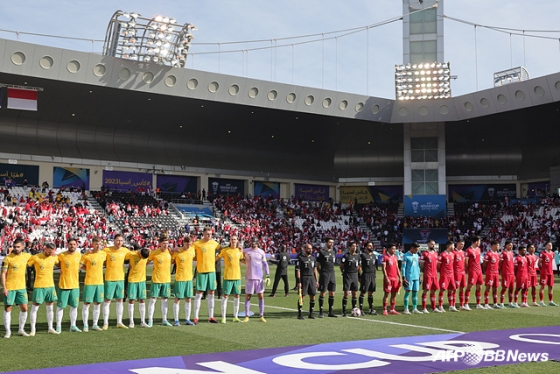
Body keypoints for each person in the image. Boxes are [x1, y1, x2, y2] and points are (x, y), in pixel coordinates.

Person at [2, 238, 32, 338]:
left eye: (18, 247)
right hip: (10, 287)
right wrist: (4, 287)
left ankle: (21, 329)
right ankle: (8, 331)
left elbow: (37, 259)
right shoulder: (8, 258)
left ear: (23, 247)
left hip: (22, 287)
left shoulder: (27, 256)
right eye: (14, 247)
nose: (16, 248)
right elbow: (3, 273)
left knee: (24, 308)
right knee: (8, 308)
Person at [27, 242, 59, 336]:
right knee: (35, 308)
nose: (50, 253)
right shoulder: (36, 257)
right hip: (39, 286)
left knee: (50, 308)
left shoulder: (54, 257)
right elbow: (26, 264)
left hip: (50, 286)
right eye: (49, 251)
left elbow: (60, 264)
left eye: (52, 251)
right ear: (46, 248)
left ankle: (50, 328)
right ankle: (33, 330)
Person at [193, 226, 221, 324]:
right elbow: (188, 251)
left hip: (211, 271)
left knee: (211, 293)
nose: (209, 236)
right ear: (203, 234)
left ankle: (211, 317)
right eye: (207, 234)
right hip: (201, 271)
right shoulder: (197, 244)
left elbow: (223, 250)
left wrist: (216, 258)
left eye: (210, 234)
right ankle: (196, 317)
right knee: (199, 293)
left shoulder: (215, 243)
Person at [102, 234, 130, 329]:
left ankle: (119, 322)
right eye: (118, 240)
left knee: (120, 300)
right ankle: (105, 323)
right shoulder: (107, 250)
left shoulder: (125, 251)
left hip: (120, 279)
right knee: (107, 300)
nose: (119, 242)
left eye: (121, 241)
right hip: (110, 278)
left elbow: (135, 255)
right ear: (114, 241)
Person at [55, 238, 82, 333]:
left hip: (75, 285)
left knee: (74, 306)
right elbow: (57, 264)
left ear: (76, 245)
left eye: (74, 244)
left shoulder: (79, 256)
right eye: (70, 244)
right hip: (64, 285)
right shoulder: (61, 255)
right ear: (67, 245)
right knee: (60, 306)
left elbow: (81, 265)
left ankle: (73, 326)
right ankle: (58, 326)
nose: (72, 246)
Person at [81, 236, 107, 332]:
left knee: (98, 303)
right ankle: (85, 325)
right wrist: (88, 269)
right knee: (87, 303)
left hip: (100, 282)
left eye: (100, 244)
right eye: (96, 244)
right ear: (92, 244)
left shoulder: (104, 254)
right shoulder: (87, 255)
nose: (98, 246)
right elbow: (80, 266)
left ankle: (95, 324)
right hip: (89, 282)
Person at [216, 235, 244, 323]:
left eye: (235, 239)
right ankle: (223, 317)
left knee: (237, 296)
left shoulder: (239, 251)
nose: (233, 240)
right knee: (225, 296)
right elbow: (217, 258)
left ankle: (235, 316)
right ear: (230, 240)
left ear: (237, 240)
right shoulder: (225, 250)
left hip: (237, 277)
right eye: (232, 239)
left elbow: (242, 260)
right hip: (228, 276)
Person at [147, 236, 173, 327]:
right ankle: (150, 320)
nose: (165, 245)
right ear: (160, 244)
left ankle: (164, 319)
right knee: (153, 300)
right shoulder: (154, 253)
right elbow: (146, 261)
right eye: (164, 243)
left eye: (167, 243)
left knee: (165, 300)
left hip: (166, 280)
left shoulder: (170, 252)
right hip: (156, 280)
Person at [242, 238, 270, 322]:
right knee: (248, 296)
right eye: (252, 242)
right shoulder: (246, 251)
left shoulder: (261, 252)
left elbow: (265, 264)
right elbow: (239, 254)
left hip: (259, 278)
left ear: (257, 243)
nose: (253, 244)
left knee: (261, 296)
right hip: (250, 277)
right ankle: (247, 316)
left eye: (255, 242)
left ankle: (261, 316)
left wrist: (267, 275)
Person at [172, 236, 196, 326]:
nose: (188, 246)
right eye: (187, 244)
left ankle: (187, 319)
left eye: (190, 244)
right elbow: (171, 259)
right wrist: (173, 249)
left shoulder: (192, 250)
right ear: (183, 243)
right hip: (180, 279)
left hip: (189, 279)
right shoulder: (177, 252)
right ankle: (176, 320)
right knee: (177, 299)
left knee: (188, 299)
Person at [125, 247, 150, 328]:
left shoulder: (147, 254)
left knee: (142, 300)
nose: (142, 259)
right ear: (139, 254)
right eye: (142, 257)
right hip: (132, 280)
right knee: (131, 300)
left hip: (142, 280)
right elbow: (123, 256)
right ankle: (131, 321)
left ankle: (142, 321)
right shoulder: (132, 254)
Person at [296, 243, 319, 320]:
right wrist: (299, 282)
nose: (310, 250)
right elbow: (298, 270)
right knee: (302, 296)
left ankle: (311, 313)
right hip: (304, 278)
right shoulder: (301, 258)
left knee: (313, 295)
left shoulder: (313, 258)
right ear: (305, 249)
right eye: (308, 248)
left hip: (312, 278)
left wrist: (316, 280)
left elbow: (315, 270)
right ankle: (300, 314)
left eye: (311, 248)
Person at [317, 238, 337, 318]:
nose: (331, 244)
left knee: (332, 293)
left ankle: (330, 312)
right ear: (326, 243)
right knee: (323, 293)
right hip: (324, 274)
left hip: (332, 274)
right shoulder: (321, 252)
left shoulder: (333, 252)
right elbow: (317, 265)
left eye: (332, 242)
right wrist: (321, 273)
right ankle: (321, 312)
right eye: (330, 242)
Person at [340, 241, 360, 317]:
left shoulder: (357, 256)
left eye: (355, 246)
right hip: (347, 275)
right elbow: (341, 266)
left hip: (355, 275)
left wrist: (358, 275)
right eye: (353, 246)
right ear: (350, 247)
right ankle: (344, 310)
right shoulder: (346, 256)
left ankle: (354, 309)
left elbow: (358, 266)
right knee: (346, 293)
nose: (354, 247)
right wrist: (344, 272)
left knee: (355, 293)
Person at [382, 243, 402, 315]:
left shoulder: (395, 257)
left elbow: (397, 268)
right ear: (389, 249)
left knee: (394, 294)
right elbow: (383, 268)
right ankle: (385, 310)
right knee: (387, 294)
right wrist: (386, 278)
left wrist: (400, 277)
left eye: (395, 249)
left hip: (395, 279)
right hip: (389, 279)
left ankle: (392, 309)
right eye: (393, 249)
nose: (394, 250)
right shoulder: (385, 257)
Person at [464, 236, 484, 310]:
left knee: (479, 287)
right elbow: (466, 261)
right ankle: (466, 304)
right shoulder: (468, 250)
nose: (480, 243)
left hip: (479, 270)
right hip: (472, 271)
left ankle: (478, 304)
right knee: (470, 286)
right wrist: (467, 270)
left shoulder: (479, 249)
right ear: (476, 242)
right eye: (479, 241)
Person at [420, 239, 440, 313]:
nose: (433, 245)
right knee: (426, 290)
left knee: (434, 291)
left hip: (434, 275)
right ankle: (424, 308)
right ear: (428, 244)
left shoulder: (435, 253)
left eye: (434, 244)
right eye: (432, 244)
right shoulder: (424, 254)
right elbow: (421, 265)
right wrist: (423, 272)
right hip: (428, 275)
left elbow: (437, 264)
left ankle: (433, 308)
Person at [358, 242, 378, 315]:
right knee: (363, 292)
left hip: (372, 275)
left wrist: (374, 275)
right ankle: (361, 309)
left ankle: (371, 309)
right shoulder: (362, 255)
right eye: (369, 246)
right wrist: (359, 276)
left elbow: (375, 267)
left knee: (371, 292)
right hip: (365, 275)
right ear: (366, 247)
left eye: (372, 246)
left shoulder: (373, 256)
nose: (371, 247)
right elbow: (358, 267)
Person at [402, 242, 421, 314]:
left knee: (415, 292)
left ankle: (414, 308)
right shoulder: (405, 256)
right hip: (409, 277)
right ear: (412, 248)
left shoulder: (416, 255)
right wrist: (404, 277)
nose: (417, 251)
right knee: (408, 292)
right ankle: (406, 309)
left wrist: (419, 275)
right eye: (416, 249)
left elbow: (418, 266)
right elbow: (403, 267)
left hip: (416, 276)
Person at [438, 241, 457, 312]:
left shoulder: (452, 254)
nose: (454, 247)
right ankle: (440, 306)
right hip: (444, 275)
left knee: (452, 290)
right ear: (449, 246)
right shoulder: (442, 254)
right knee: (442, 290)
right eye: (453, 246)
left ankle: (451, 306)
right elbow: (438, 265)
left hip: (451, 275)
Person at [482, 240, 501, 309]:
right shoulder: (488, 254)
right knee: (488, 288)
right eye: (497, 245)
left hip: (496, 273)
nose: (498, 247)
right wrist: (485, 271)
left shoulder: (497, 254)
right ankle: (486, 304)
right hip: (490, 273)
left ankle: (495, 303)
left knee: (495, 288)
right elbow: (484, 264)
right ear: (493, 245)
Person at [538, 241, 558, 307]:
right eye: (549, 245)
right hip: (544, 272)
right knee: (543, 286)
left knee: (551, 286)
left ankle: (551, 301)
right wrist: (542, 270)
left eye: (551, 245)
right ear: (546, 246)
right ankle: (541, 301)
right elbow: (539, 263)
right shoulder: (543, 253)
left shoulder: (552, 253)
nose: (550, 246)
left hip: (550, 272)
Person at [499, 240, 515, 308]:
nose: (511, 246)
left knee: (511, 288)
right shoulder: (503, 253)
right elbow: (500, 263)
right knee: (505, 288)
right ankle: (501, 303)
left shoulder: (512, 253)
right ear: (506, 246)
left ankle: (510, 302)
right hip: (506, 273)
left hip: (511, 273)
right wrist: (502, 270)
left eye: (512, 245)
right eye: (509, 245)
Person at [453, 240, 468, 311]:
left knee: (462, 288)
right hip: (456, 273)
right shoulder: (453, 252)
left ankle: (461, 305)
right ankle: (453, 305)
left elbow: (464, 262)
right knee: (455, 289)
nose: (462, 245)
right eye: (461, 244)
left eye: (463, 244)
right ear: (457, 243)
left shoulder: (463, 252)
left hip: (462, 273)